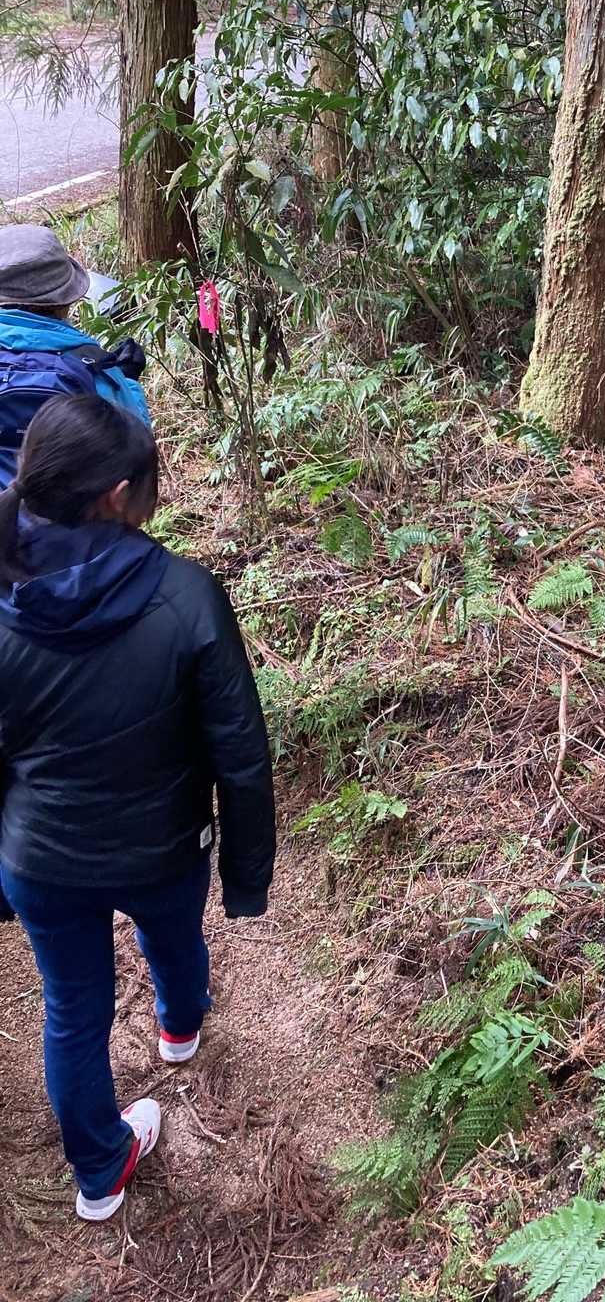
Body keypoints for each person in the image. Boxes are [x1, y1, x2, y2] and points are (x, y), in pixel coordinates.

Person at [0, 396, 276, 1222]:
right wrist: (246, 876)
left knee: (71, 1008)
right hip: (164, 846)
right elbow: (241, 754)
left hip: (39, 858)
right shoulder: (187, 596)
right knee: (174, 938)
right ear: (117, 495)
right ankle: (179, 1030)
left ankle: (98, 1174)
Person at [0, 224, 151, 487]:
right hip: (66, 512)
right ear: (65, 300)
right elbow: (136, 446)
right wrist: (128, 381)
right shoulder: (90, 365)